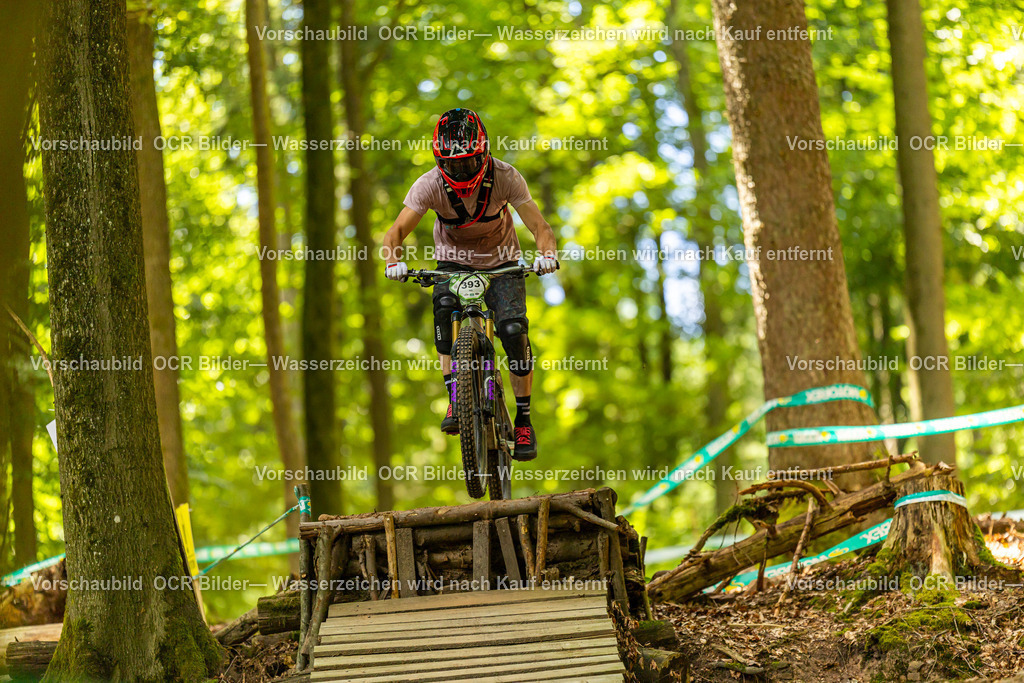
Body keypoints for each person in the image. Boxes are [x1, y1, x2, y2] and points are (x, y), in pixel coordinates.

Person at [382, 108, 558, 461]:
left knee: (513, 330)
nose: (461, 171)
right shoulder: (429, 185)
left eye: (468, 162)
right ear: (440, 161)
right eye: (453, 164)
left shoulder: (506, 177)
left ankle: (524, 420)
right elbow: (396, 231)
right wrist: (392, 262)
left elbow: (540, 227)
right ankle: (455, 397)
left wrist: (547, 255)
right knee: (444, 311)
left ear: (484, 153)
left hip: (502, 262)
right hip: (453, 263)